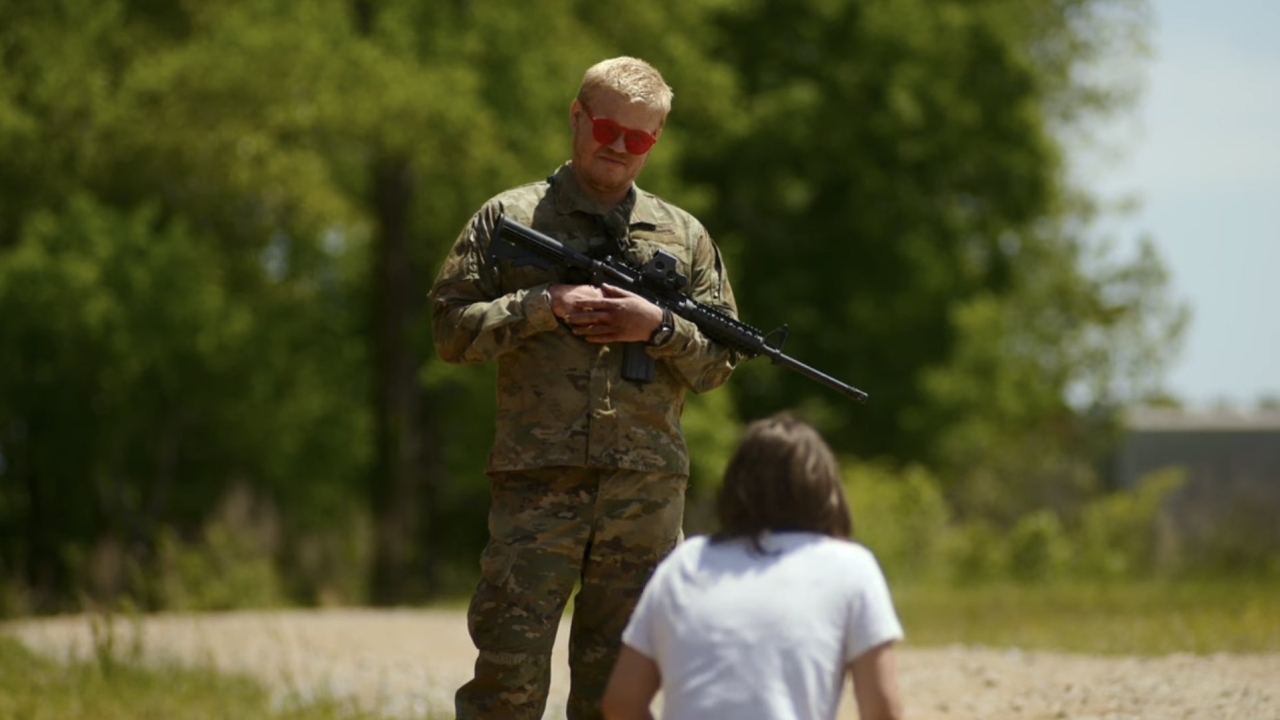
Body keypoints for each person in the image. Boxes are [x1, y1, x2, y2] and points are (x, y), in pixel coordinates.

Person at [429, 56, 741, 720]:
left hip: (645, 495)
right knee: (506, 682)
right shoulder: (507, 218)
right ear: (577, 117)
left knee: (622, 693)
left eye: (642, 139)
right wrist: (543, 304)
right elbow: (451, 333)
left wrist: (657, 327)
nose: (621, 149)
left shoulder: (685, 237)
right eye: (608, 129)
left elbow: (720, 363)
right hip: (539, 485)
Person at [601, 413, 906, 720]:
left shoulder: (686, 563)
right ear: (827, 491)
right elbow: (882, 710)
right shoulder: (850, 566)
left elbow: (621, 703)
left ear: (735, 486)